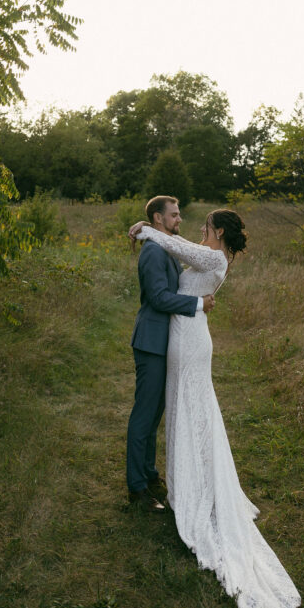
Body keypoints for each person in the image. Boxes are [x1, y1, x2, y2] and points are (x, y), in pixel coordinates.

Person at [128, 208, 304, 608]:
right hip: (185, 335)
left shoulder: (215, 259)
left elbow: (178, 247)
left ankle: (196, 490)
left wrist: (146, 229)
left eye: (206, 226)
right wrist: (153, 234)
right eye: (184, 218)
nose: (197, 229)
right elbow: (175, 255)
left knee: (193, 411)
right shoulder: (207, 256)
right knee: (184, 412)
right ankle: (183, 480)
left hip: (190, 340)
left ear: (220, 231)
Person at [126, 195, 215, 513]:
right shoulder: (152, 251)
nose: (180, 220)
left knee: (154, 417)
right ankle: (136, 489)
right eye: (174, 215)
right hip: (151, 342)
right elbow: (160, 298)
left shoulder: (164, 244)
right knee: (143, 416)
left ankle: (149, 475)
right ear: (158, 218)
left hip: (166, 343)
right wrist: (198, 304)